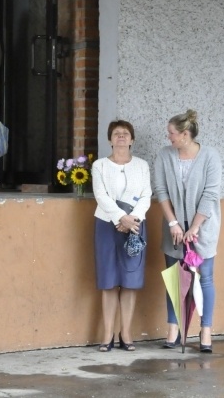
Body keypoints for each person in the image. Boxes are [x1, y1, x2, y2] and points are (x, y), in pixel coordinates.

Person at [154, 109, 222, 353]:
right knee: (174, 278)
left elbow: (211, 194)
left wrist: (194, 227)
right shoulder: (164, 155)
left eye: (171, 133)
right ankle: (173, 328)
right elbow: (161, 190)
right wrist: (173, 223)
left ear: (185, 134)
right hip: (173, 229)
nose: (168, 137)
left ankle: (206, 330)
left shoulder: (210, 157)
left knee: (205, 278)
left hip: (202, 228)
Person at [91, 120, 152, 352]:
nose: (121, 137)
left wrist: (132, 219)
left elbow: (146, 195)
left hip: (135, 226)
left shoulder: (142, 165)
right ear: (109, 139)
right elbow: (101, 195)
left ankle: (125, 332)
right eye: (116, 134)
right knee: (108, 281)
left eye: (125, 134)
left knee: (130, 281)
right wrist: (120, 218)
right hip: (107, 224)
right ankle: (107, 334)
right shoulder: (100, 166)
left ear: (132, 139)